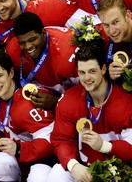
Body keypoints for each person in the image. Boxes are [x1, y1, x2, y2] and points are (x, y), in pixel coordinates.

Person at [45, 42, 132, 181]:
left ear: (103, 69)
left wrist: (104, 146)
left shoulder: (126, 102)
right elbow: (61, 139)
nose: (86, 78)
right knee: (58, 173)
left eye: (92, 71)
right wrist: (74, 165)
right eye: (82, 72)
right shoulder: (70, 98)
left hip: (119, 173)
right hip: (85, 169)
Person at [0, 50, 56, 182]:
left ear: (11, 73)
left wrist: (18, 148)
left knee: (39, 176)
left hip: (46, 164)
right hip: (21, 162)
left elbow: (51, 141)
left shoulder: (27, 103)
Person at [6, 12, 79, 110]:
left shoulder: (67, 52)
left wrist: (56, 102)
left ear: (43, 33)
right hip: (46, 93)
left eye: (32, 39)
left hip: (73, 103)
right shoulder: (13, 49)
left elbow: (90, 93)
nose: (28, 46)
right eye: (22, 43)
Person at [96, 0, 132, 81]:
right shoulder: (109, 47)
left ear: (128, 15)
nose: (112, 31)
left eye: (115, 22)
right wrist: (111, 76)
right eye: (106, 25)